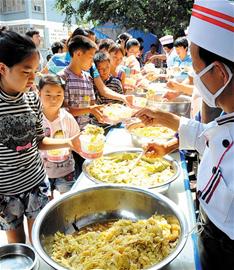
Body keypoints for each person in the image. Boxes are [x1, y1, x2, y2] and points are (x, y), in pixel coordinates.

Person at [134, 0, 234, 269]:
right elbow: (213, 140)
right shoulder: (228, 115)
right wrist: (165, 119)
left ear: (219, 73)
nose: (193, 74)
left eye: (196, 65)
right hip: (210, 224)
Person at [0, 30, 83, 244]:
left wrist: (70, 142)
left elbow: (39, 141)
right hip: (6, 192)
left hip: (35, 183)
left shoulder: (32, 99)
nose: (32, 79)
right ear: (2, 68)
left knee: (42, 238)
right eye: (26, 72)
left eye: (35, 72)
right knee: (17, 245)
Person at [38, 75, 80, 197]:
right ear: (39, 93)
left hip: (66, 170)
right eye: (48, 95)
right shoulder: (35, 118)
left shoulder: (67, 118)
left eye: (58, 95)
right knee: (46, 204)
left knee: (68, 200)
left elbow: (76, 141)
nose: (54, 99)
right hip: (42, 172)